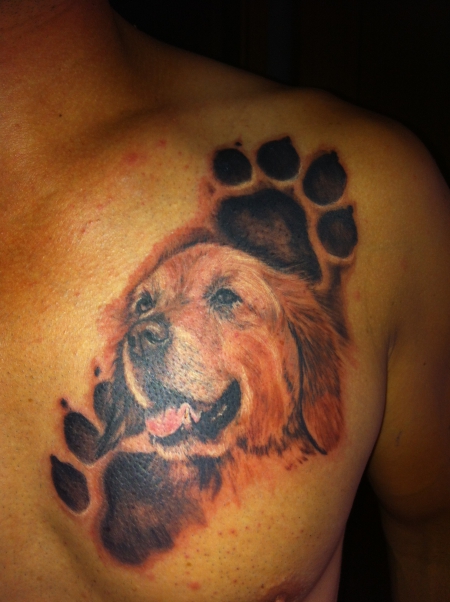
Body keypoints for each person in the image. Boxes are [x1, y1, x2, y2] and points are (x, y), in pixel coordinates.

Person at [1, 1, 449, 601]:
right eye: (144, 306)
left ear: (307, 359)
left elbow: (433, 539)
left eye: (224, 297)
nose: (150, 329)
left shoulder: (387, 198)